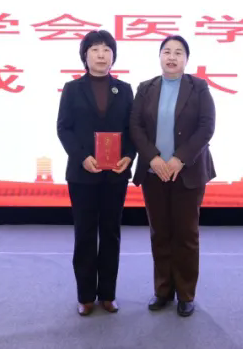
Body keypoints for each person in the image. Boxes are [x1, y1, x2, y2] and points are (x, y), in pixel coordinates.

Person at [129, 35, 216, 317]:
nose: (172, 57)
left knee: (186, 235)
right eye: (167, 51)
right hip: (154, 172)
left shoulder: (198, 87)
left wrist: (180, 159)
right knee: (160, 233)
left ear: (186, 59)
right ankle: (163, 291)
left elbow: (206, 127)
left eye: (179, 52)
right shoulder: (146, 88)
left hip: (187, 172)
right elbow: (135, 126)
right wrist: (153, 158)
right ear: (159, 56)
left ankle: (186, 294)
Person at [56, 29, 136, 316]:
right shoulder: (72, 89)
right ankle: (86, 296)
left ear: (113, 56)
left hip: (115, 175)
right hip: (83, 174)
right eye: (95, 49)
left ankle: (108, 294)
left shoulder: (124, 89)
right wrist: (82, 158)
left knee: (111, 233)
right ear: (85, 55)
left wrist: (129, 156)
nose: (101, 55)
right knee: (85, 234)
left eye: (106, 50)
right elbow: (63, 128)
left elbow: (132, 130)